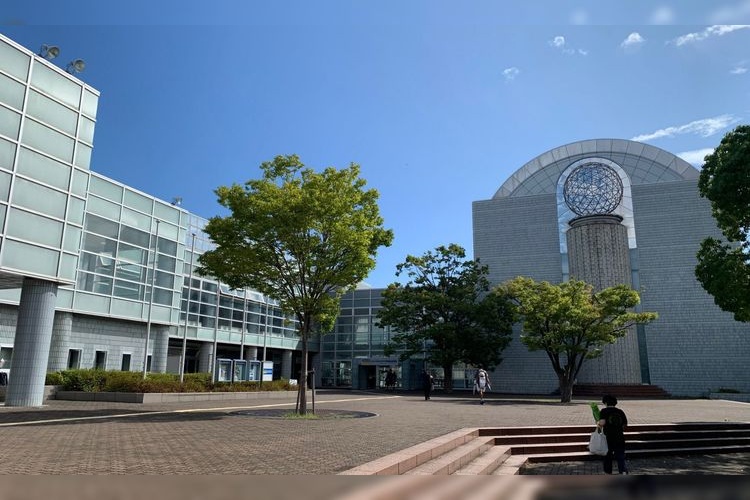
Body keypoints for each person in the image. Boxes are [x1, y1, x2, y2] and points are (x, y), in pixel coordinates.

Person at [598, 394, 628, 474]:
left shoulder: (604, 411)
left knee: (608, 457)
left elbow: (602, 423)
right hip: (619, 437)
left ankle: (608, 473)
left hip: (608, 437)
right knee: (620, 456)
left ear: (605, 402)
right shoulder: (620, 411)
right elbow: (625, 424)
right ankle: (623, 472)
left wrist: (598, 424)